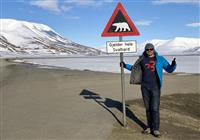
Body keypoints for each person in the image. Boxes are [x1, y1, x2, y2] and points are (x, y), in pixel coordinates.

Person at [120, 43, 176, 137]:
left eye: (151, 49)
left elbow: (169, 69)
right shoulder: (142, 59)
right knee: (148, 108)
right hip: (145, 87)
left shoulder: (160, 59)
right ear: (145, 50)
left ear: (154, 49)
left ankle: (156, 129)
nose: (149, 51)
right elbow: (134, 68)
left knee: (154, 108)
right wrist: (125, 65)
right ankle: (149, 127)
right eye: (147, 49)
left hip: (155, 87)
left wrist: (173, 65)